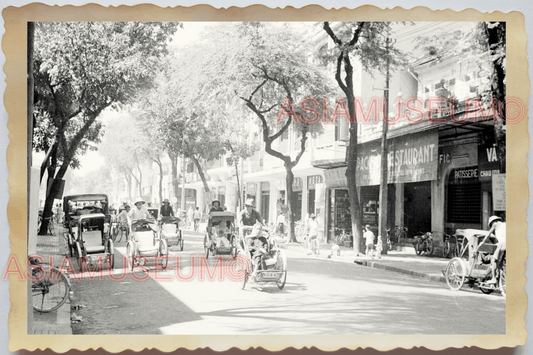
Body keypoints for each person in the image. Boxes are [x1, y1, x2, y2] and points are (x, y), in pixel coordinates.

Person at [478, 215, 506, 284]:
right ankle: (498, 276)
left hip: (502, 244)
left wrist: (483, 242)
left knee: (494, 260)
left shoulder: (495, 224)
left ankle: (494, 278)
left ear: (493, 222)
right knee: (501, 261)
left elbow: (488, 233)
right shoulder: (505, 224)